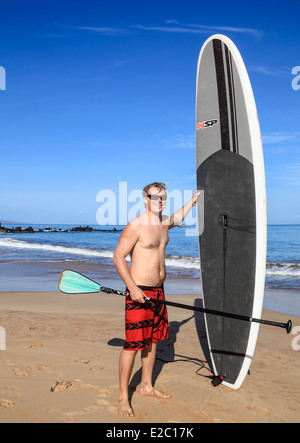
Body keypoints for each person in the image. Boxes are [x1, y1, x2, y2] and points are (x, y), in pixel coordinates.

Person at [113, 182, 200, 417]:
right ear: (145, 200)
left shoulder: (163, 225)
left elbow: (178, 218)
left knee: (152, 341)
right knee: (133, 344)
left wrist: (193, 201)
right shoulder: (136, 226)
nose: (159, 201)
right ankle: (123, 396)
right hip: (139, 293)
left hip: (159, 293)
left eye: (162, 197)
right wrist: (132, 288)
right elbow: (118, 257)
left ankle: (146, 386)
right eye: (154, 197)